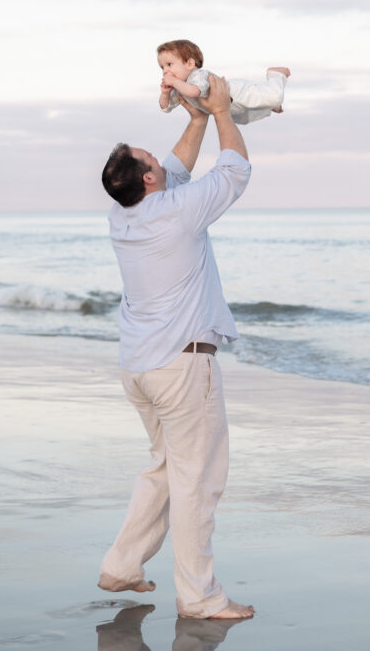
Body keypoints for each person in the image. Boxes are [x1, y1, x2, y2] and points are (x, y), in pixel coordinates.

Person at [99, 74, 254, 620]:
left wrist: (193, 119)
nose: (160, 159)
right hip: (183, 369)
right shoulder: (178, 210)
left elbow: (178, 171)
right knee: (198, 482)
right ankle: (200, 597)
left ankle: (123, 564)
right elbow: (235, 171)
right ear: (148, 178)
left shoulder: (123, 214)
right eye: (152, 158)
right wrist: (220, 113)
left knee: (165, 469)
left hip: (139, 368)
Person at [157, 38, 290, 125]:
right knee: (245, 118)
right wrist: (165, 93)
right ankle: (269, 107)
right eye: (162, 67)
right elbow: (165, 108)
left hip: (236, 93)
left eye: (169, 64)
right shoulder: (179, 87)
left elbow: (194, 91)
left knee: (275, 97)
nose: (165, 70)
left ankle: (276, 74)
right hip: (228, 108)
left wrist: (174, 82)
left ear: (190, 63)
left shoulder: (198, 75)